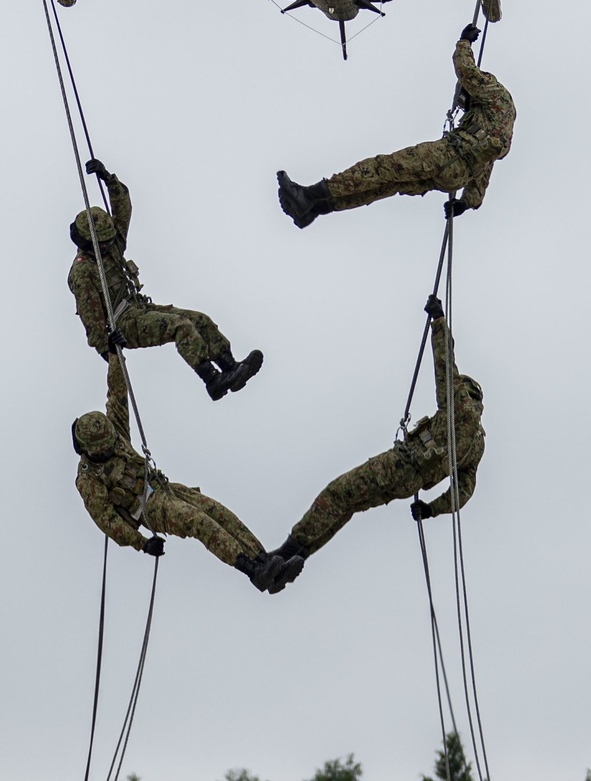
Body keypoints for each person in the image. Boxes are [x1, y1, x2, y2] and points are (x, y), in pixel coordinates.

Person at [266, 296, 484, 567]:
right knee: (350, 506)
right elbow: (463, 492)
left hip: (400, 465)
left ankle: (283, 554)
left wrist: (439, 322)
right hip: (408, 485)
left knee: (337, 494)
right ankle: (294, 560)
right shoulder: (477, 445)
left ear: (468, 391)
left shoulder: (458, 402)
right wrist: (431, 509)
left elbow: (445, 367)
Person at [74, 355, 304, 594]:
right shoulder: (89, 479)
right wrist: (142, 543)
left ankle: (265, 563)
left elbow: (117, 392)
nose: (113, 446)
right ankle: (252, 571)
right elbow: (107, 521)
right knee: (197, 521)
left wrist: (114, 354)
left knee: (217, 512)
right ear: (90, 448)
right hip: (147, 508)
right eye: (106, 446)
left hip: (165, 488)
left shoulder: (114, 431)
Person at [276, 25, 515, 228]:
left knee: (381, 169)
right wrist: (467, 202)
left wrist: (464, 43)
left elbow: (467, 73)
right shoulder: (501, 126)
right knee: (386, 185)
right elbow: (486, 166)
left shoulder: (495, 93)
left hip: (448, 156)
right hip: (455, 177)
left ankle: (308, 197)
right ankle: (314, 209)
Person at [70, 159, 262, 400]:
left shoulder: (110, 247)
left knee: (199, 320)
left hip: (139, 308)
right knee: (181, 326)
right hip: (124, 323)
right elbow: (91, 318)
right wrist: (107, 347)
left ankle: (230, 367)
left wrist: (109, 179)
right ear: (91, 243)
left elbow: (123, 210)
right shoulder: (84, 271)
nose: (112, 242)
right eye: (105, 241)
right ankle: (212, 379)